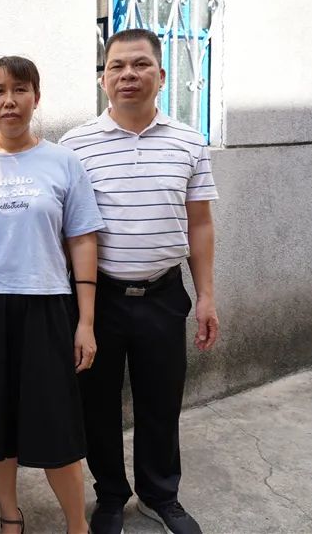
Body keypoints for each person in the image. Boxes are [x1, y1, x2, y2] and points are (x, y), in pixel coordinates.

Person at [60, 28, 219, 534]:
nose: (128, 74)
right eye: (117, 66)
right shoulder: (75, 146)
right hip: (98, 298)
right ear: (103, 78)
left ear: (162, 75)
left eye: (140, 64)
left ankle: (159, 494)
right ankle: (110, 495)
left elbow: (200, 222)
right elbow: (66, 229)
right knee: (97, 404)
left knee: (161, 402)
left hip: (163, 295)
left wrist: (207, 296)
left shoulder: (189, 142)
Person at [0, 56, 105, 534]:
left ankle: (77, 525)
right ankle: (10, 517)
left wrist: (85, 321)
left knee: (56, 427)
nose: (9, 101)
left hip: (45, 305)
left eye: (20, 89)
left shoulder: (63, 162)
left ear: (36, 97)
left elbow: (82, 239)